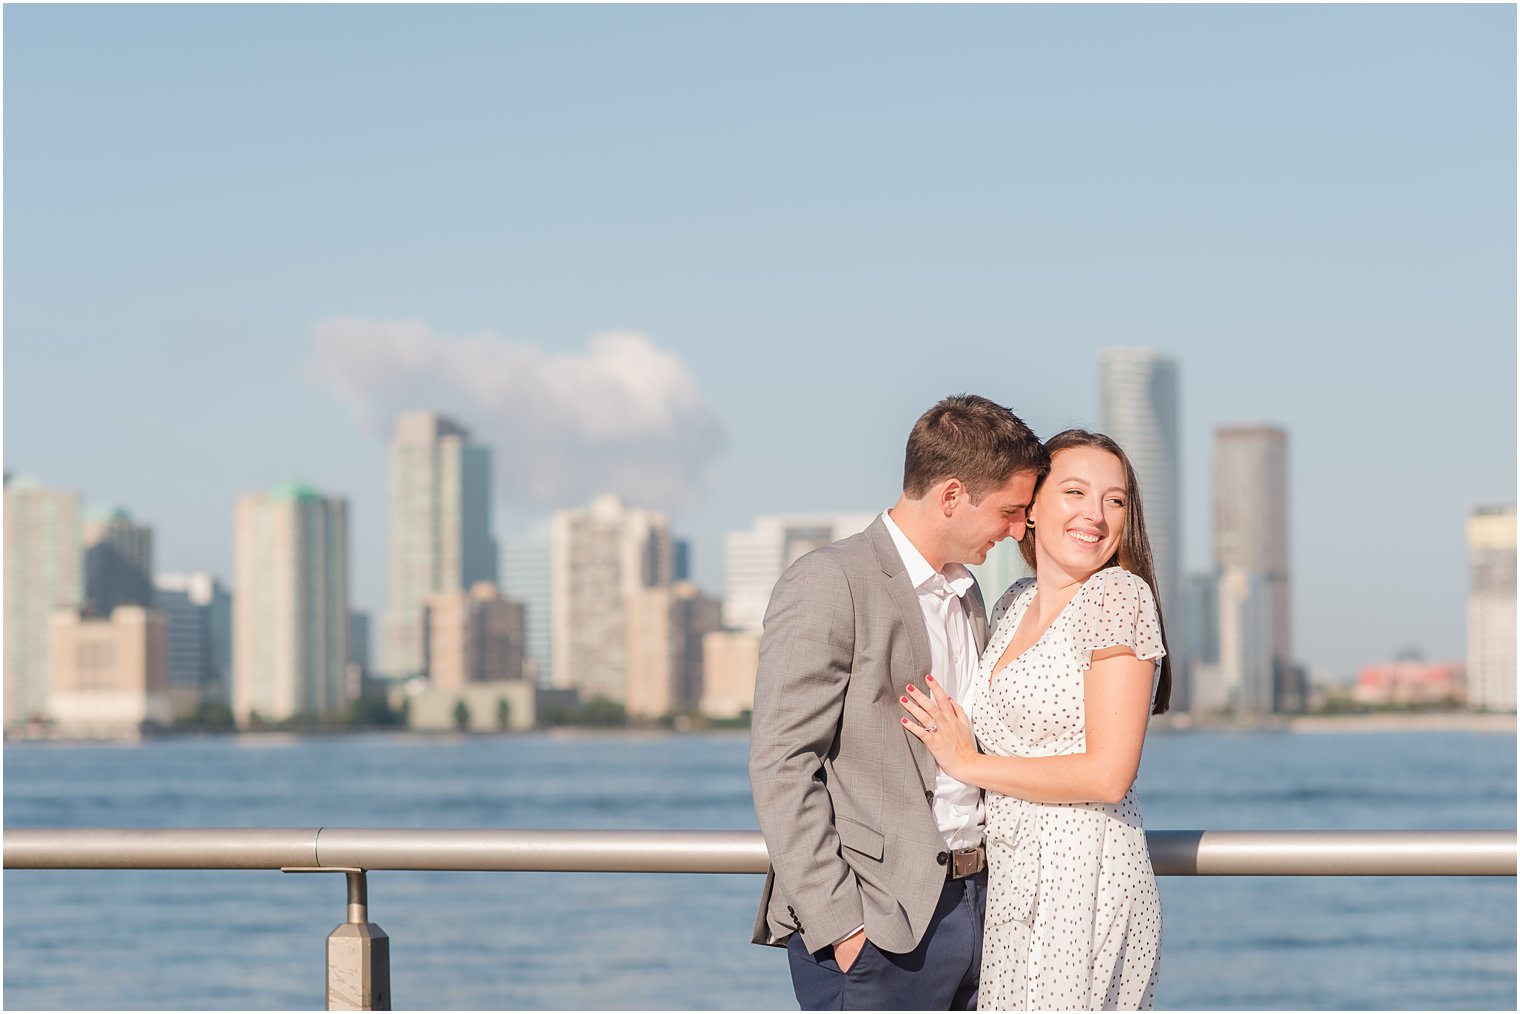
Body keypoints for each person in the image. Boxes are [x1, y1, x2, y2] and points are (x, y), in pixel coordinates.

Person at [748, 394, 1048, 1011]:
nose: (1020, 529)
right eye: (1011, 510)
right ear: (951, 495)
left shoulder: (967, 595)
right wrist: (843, 927)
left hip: (980, 913)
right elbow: (781, 764)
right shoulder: (830, 581)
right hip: (879, 928)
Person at [900, 428, 1172, 1010]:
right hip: (1011, 878)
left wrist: (969, 763)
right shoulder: (1012, 601)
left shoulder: (1117, 596)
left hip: (1083, 875)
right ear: (1030, 510)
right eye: (1074, 492)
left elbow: (1108, 776)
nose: (1095, 516)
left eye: (1115, 500)